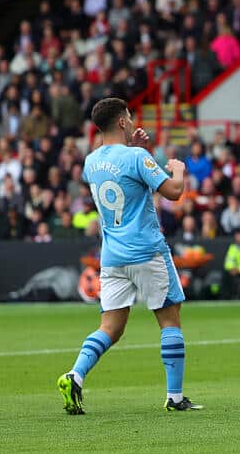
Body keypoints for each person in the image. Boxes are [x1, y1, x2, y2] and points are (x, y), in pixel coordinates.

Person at [57, 98, 203, 414]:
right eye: (130, 116)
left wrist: (135, 150)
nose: (133, 120)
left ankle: (75, 375)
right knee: (170, 319)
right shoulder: (137, 157)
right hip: (147, 251)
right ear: (122, 121)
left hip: (112, 257)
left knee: (110, 327)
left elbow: (122, 179)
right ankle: (175, 397)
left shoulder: (91, 162)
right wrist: (178, 170)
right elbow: (174, 192)